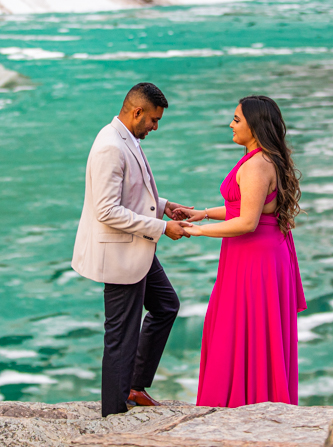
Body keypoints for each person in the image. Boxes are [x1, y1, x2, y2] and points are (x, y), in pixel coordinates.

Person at [173, 95, 307, 407]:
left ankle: (244, 404)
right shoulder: (262, 159)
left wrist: (199, 231)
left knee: (243, 330)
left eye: (236, 120)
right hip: (260, 253)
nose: (230, 125)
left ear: (255, 125)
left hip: (254, 258)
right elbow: (245, 208)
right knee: (246, 330)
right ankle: (250, 399)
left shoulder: (257, 165)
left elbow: (246, 222)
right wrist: (204, 213)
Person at [72, 82, 193, 417]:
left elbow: (133, 191)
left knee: (166, 306)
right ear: (137, 111)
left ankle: (135, 387)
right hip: (121, 252)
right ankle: (113, 413)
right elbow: (107, 210)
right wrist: (162, 228)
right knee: (121, 336)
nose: (156, 126)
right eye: (154, 119)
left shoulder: (128, 138)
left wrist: (164, 205)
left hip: (137, 248)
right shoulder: (110, 146)